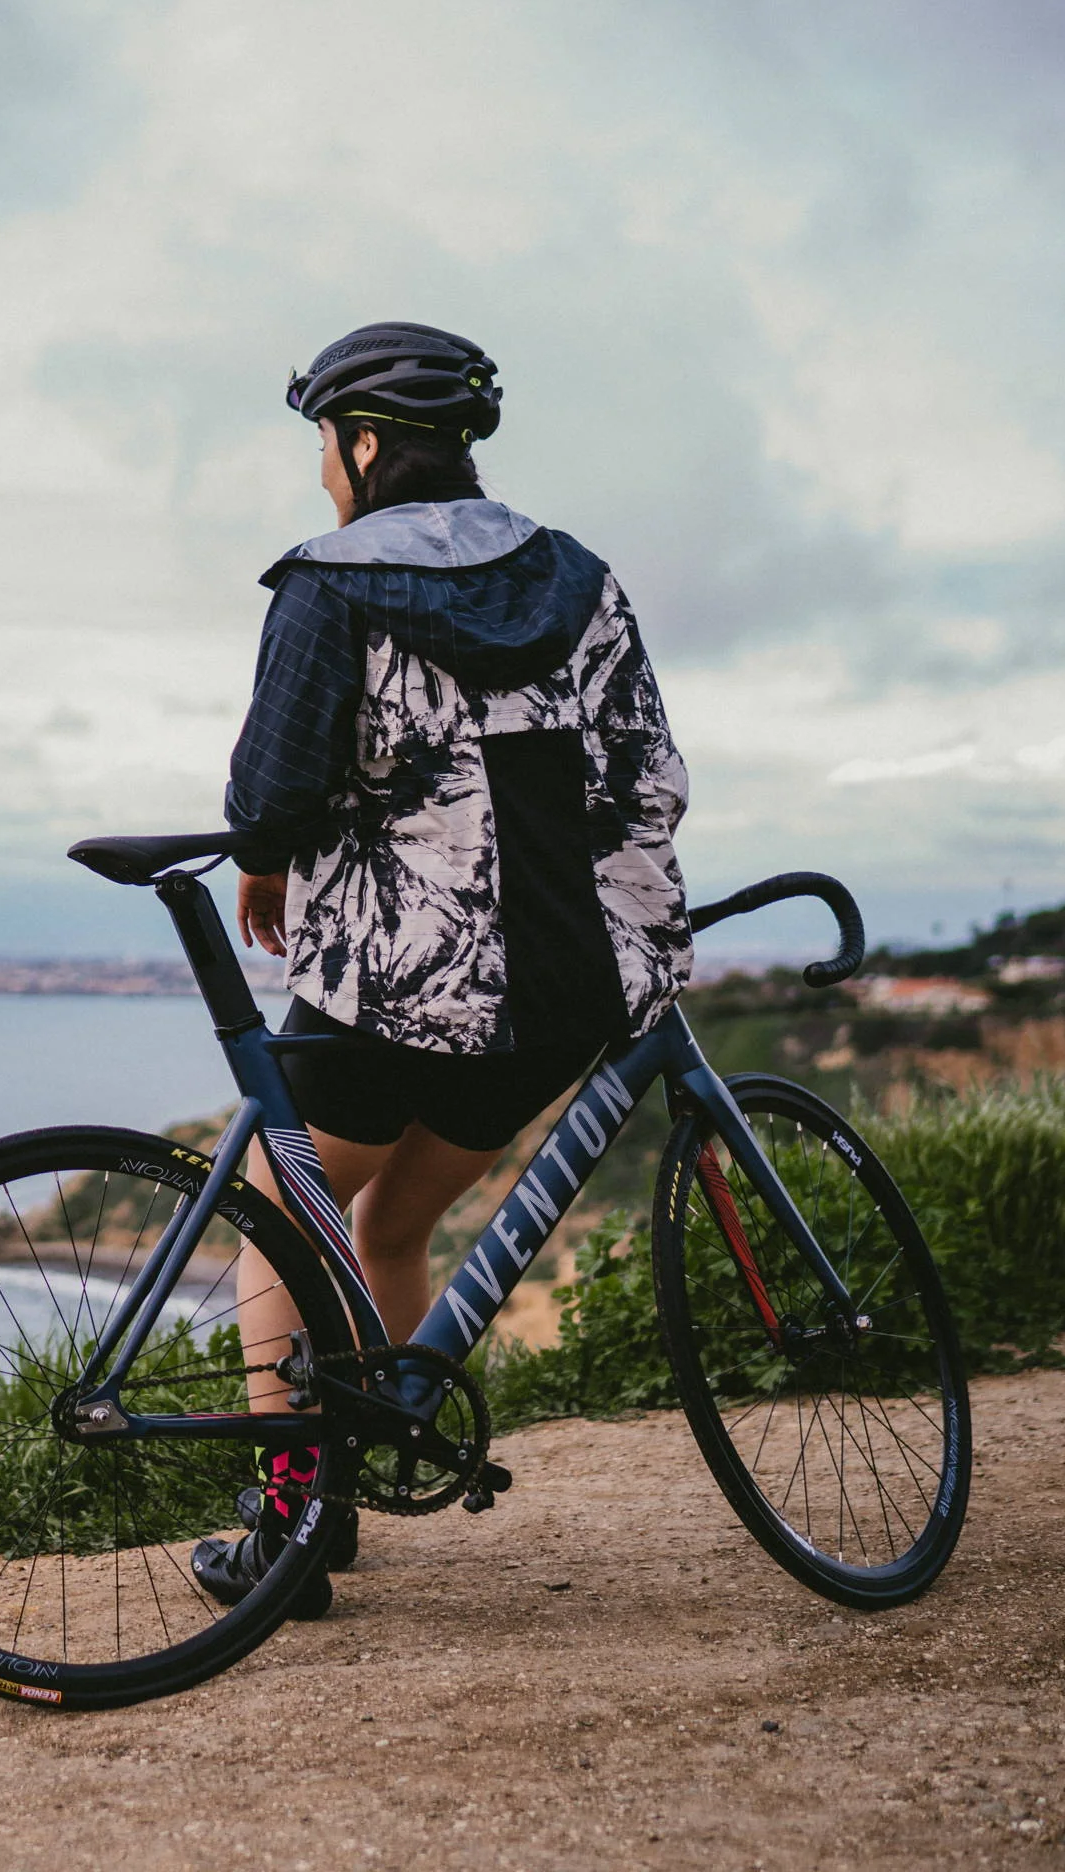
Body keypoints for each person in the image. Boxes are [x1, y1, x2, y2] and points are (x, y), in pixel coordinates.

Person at [191, 322, 693, 1611]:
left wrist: (266, 861)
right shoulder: (580, 576)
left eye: (322, 445)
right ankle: (403, 1429)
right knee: (398, 1220)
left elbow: (275, 796)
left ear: (362, 444)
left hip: (389, 989)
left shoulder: (329, 582)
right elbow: (647, 774)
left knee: (276, 1213)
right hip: (556, 993)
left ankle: (294, 1525)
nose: (319, 475)